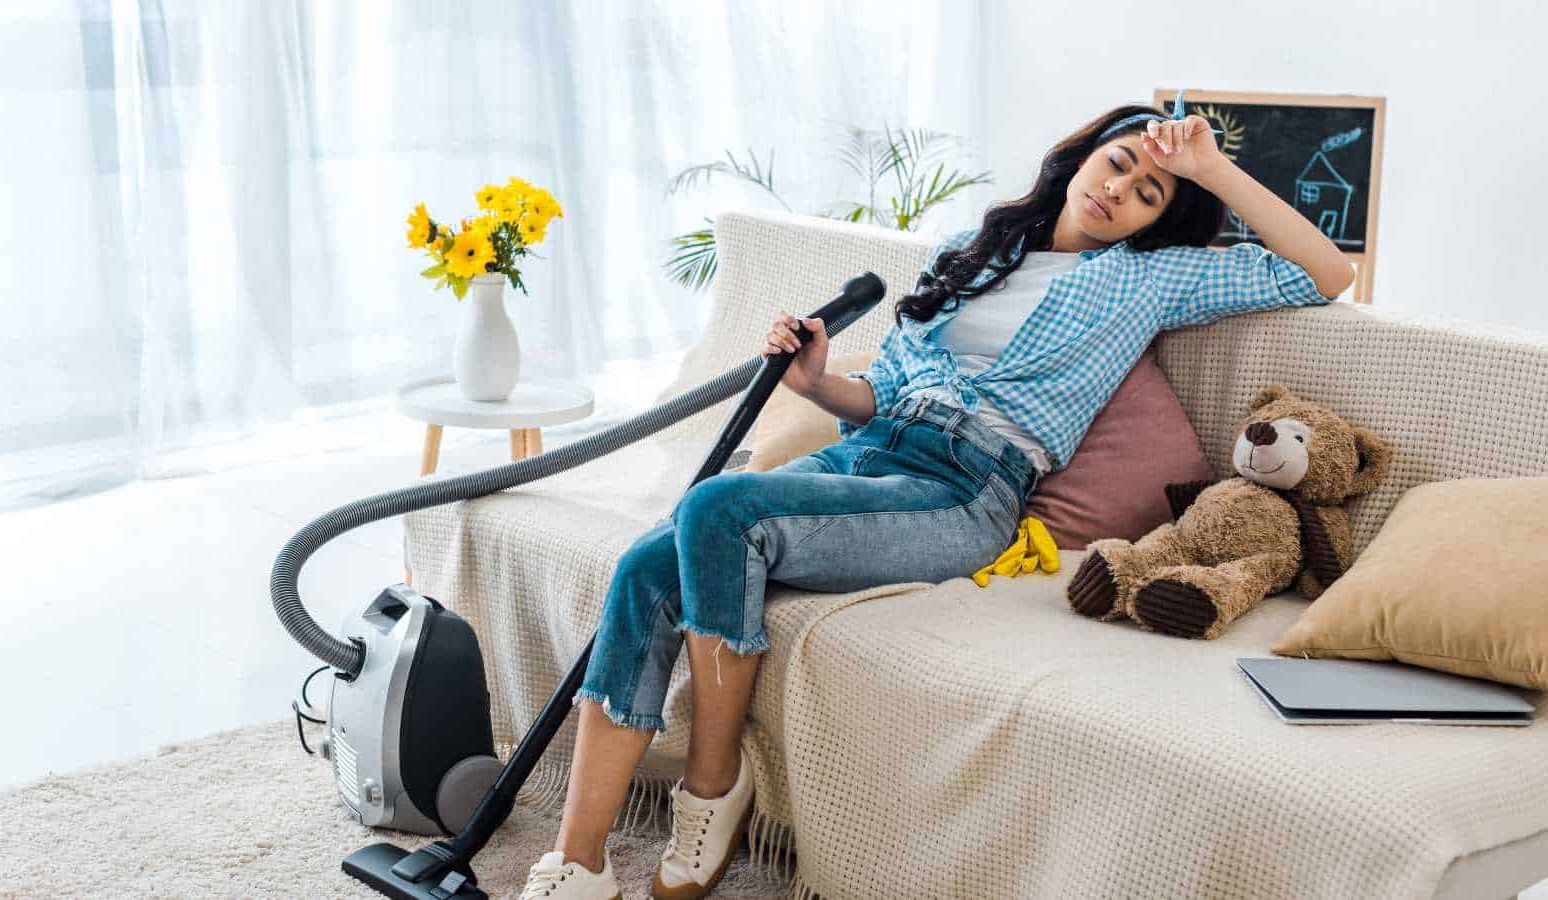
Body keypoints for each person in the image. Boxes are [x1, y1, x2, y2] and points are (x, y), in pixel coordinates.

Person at [517, 93, 1355, 900]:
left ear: (1156, 220)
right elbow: (883, 388)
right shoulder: (972, 247)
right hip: (868, 453)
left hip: (966, 491)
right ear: (1079, 158)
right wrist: (815, 381)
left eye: (1148, 194)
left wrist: (1207, 167)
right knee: (643, 567)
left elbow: (1326, 273)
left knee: (715, 510)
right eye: (1118, 164)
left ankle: (714, 782)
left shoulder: (1150, 280)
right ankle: (577, 864)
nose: (1119, 192)